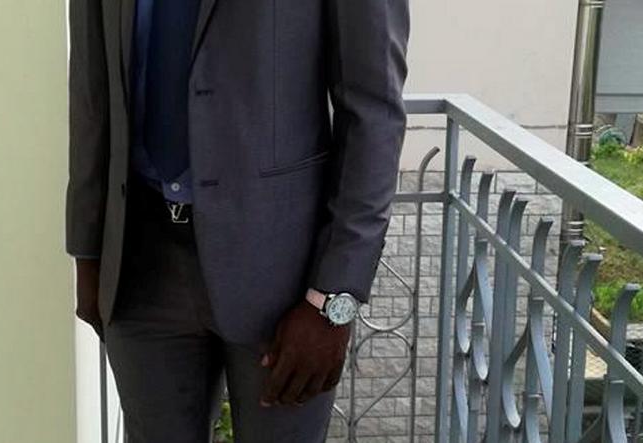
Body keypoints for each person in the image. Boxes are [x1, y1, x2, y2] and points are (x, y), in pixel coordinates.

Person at [68, 1, 409, 441]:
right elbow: (90, 88)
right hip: (140, 264)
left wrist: (334, 299)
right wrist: (88, 249)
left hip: (287, 279)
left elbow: (374, 112)